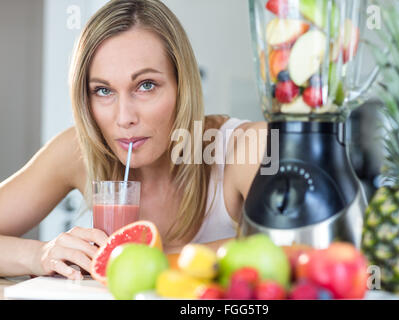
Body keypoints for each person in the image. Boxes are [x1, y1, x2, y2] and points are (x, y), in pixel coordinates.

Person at [0, 0, 267, 280]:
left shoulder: (245, 146)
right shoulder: (82, 150)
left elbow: (298, 248)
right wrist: (37, 255)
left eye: (146, 85)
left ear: (182, 86)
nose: (124, 117)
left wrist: (152, 260)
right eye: (103, 90)